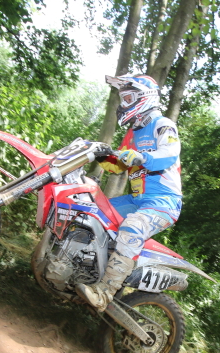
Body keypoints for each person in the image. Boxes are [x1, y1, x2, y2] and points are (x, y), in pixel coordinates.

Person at [76, 74, 182, 312]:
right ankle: (81, 269)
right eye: (122, 98)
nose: (123, 104)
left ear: (145, 97)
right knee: (91, 213)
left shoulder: (162, 124)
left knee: (133, 227)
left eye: (128, 98)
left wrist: (143, 156)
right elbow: (118, 166)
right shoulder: (132, 134)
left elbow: (170, 153)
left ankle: (104, 293)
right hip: (136, 200)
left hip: (164, 202)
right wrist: (97, 155)